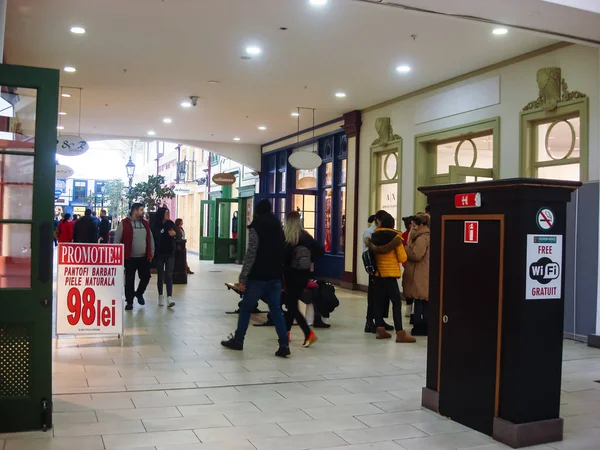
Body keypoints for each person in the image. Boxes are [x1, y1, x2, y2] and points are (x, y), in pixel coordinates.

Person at [221, 199, 290, 357]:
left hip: (258, 276)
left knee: (246, 308)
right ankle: (284, 344)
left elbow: (251, 253)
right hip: (275, 275)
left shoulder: (256, 227)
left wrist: (243, 276)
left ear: (257, 211)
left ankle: (238, 340)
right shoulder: (278, 226)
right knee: (276, 310)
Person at [365, 210, 416, 343]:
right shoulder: (396, 238)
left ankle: (380, 329)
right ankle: (400, 332)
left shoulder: (374, 237)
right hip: (391, 274)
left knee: (378, 301)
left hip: (378, 274)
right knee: (396, 303)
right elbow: (402, 257)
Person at [282, 210, 324, 347]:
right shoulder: (305, 236)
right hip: (304, 275)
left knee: (292, 305)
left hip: (290, 275)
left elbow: (283, 257)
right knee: (292, 303)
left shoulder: (288, 237)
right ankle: (286, 332)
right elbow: (320, 250)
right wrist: (310, 259)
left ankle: (308, 333)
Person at [114, 203, 154, 311]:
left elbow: (150, 237)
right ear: (135, 210)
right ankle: (129, 301)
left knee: (146, 277)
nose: (143, 212)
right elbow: (117, 239)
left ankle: (139, 293)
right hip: (129, 257)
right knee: (129, 280)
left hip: (143, 257)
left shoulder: (145, 223)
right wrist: (116, 253)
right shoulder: (124, 223)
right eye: (141, 209)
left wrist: (152, 250)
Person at [362, 215, 393, 334]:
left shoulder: (384, 232)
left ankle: (380, 320)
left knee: (384, 296)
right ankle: (370, 321)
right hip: (374, 268)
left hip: (384, 268)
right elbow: (367, 251)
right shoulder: (370, 232)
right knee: (373, 296)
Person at [403, 213, 431, 336]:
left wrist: (406, 249)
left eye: (414, 225)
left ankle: (420, 325)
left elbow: (417, 255)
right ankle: (422, 324)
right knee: (421, 299)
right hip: (421, 271)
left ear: (421, 225)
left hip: (420, 272)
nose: (412, 228)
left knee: (420, 299)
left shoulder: (421, 238)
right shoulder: (422, 236)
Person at [152, 207, 177, 308]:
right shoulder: (156, 225)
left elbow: (177, 234)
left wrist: (174, 234)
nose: (167, 214)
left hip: (170, 252)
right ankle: (160, 295)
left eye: (168, 212)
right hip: (159, 253)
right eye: (166, 213)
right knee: (160, 275)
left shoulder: (170, 223)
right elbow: (154, 237)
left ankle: (169, 297)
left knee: (169, 275)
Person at [401, 216, 415, 318]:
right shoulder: (409, 235)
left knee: (408, 287)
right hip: (411, 264)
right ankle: (409, 309)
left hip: (407, 264)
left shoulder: (403, 235)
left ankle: (409, 309)